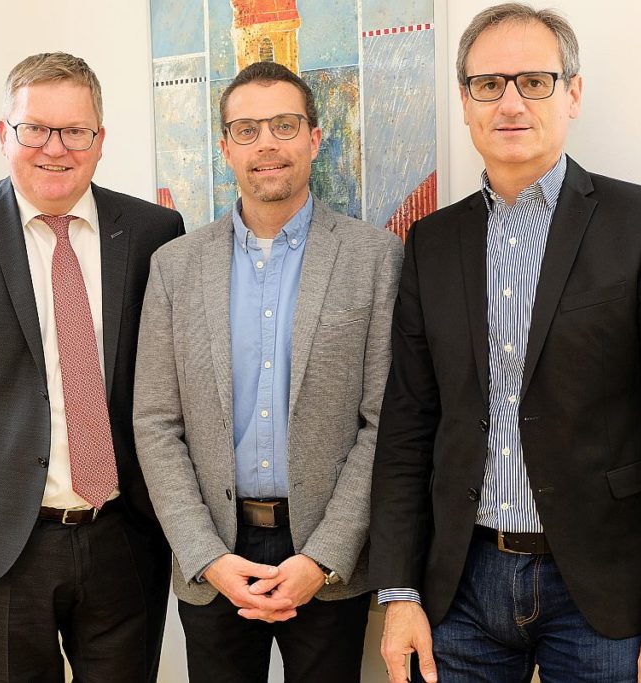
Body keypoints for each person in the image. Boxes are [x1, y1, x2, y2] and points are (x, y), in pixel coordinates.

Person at [369, 5, 641, 683]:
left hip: (601, 591)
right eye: (488, 84)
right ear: (465, 100)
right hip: (461, 588)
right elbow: (407, 427)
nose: (510, 101)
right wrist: (399, 592)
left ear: (572, 93)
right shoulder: (431, 244)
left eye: (533, 81)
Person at [0, 52, 183, 683]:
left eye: (75, 131)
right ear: (4, 134)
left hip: (126, 535)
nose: (55, 148)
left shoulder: (155, 230)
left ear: (99, 141)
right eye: (35, 129)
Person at [133, 60, 402, 683]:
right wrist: (205, 556)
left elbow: (383, 423)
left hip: (327, 557)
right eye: (247, 130)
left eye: (284, 125)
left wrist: (325, 556)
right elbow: (155, 423)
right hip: (215, 553)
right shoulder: (174, 267)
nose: (267, 145)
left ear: (314, 136)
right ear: (224, 146)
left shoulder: (375, 258)